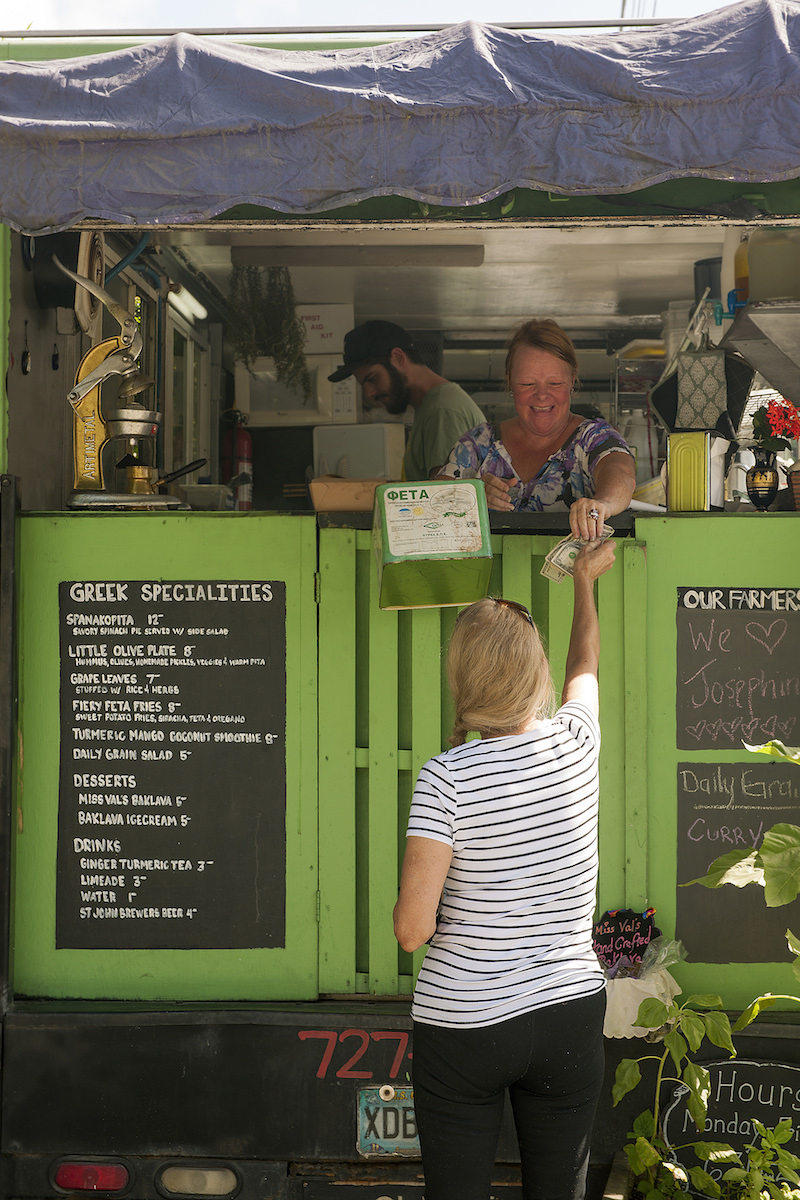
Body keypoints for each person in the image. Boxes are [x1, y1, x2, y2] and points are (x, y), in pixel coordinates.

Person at [393, 538, 616, 1200]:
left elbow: (411, 931)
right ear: (535, 672)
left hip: (466, 1027)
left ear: (462, 678)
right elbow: (587, 665)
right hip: (570, 1011)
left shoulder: (447, 779)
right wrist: (584, 584)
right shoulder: (578, 745)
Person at [437, 318, 636, 542]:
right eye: (527, 384)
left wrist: (602, 504)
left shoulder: (592, 438)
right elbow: (430, 505)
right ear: (510, 383)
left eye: (555, 383)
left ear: (572, 382)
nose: (542, 395)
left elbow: (621, 474)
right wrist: (468, 495)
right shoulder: (477, 444)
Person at [328, 320, 485, 480]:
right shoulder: (429, 406)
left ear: (398, 358)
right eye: (363, 384)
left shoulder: (443, 411)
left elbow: (444, 498)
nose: (369, 393)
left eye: (372, 378)